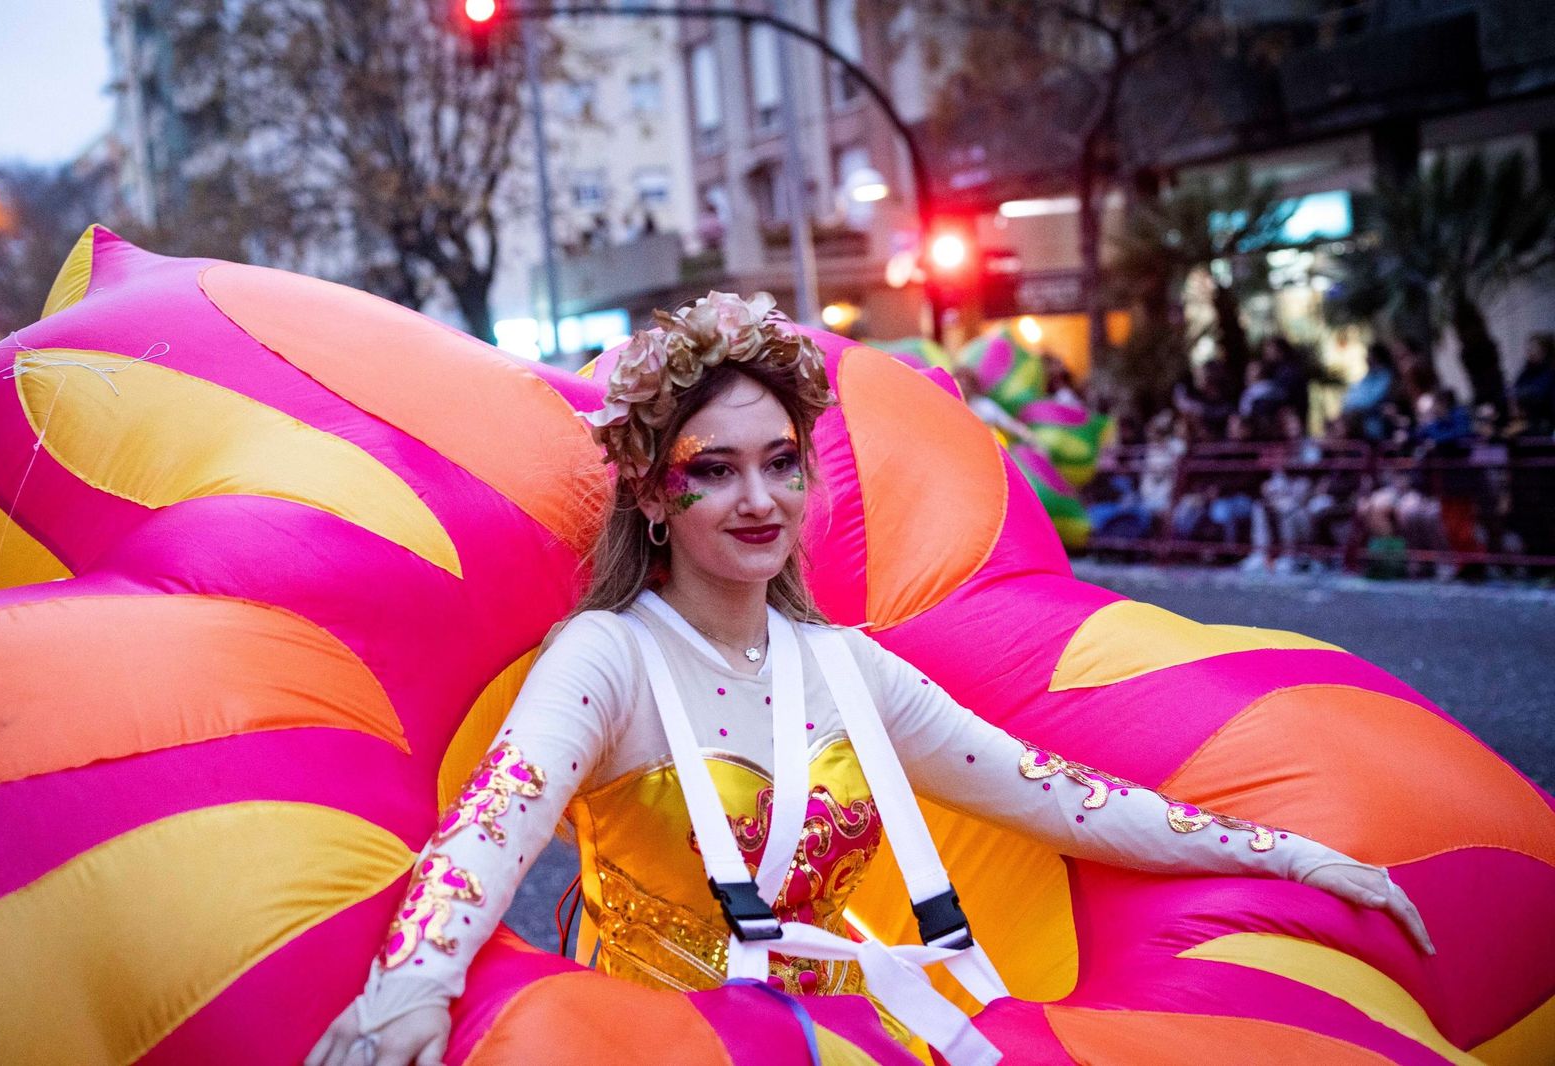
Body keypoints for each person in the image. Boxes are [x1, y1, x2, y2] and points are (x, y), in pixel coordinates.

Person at [306, 293, 1432, 1066]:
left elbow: (1063, 797)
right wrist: (409, 985)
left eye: (781, 462)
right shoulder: (606, 658)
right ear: (653, 494)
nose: (758, 499)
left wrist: (1286, 852)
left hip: (846, 1042)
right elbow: (487, 833)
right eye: (714, 470)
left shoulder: (849, 669)